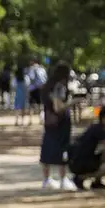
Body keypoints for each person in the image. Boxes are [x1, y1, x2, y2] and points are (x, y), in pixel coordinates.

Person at [40, 62, 75, 191]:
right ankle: (63, 179)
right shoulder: (60, 87)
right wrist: (72, 102)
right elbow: (58, 107)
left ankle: (46, 179)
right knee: (62, 149)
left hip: (49, 122)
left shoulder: (46, 87)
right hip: (61, 122)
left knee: (47, 148)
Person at [68, 106, 105, 190]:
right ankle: (80, 178)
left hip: (78, 160)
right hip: (80, 163)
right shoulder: (99, 130)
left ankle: (97, 182)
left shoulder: (96, 127)